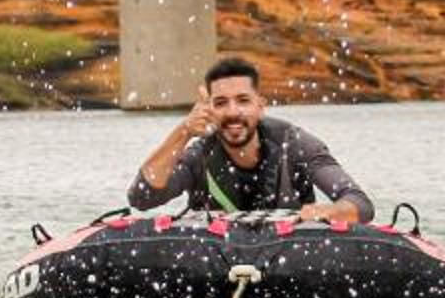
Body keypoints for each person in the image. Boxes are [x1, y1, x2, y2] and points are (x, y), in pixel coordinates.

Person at [127, 55, 373, 222]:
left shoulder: (297, 144)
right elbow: (142, 198)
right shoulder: (198, 154)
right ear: (208, 109)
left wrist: (325, 212)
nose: (233, 112)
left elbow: (360, 204)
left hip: (289, 261)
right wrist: (184, 131)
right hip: (213, 262)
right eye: (221, 103)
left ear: (260, 105)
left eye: (243, 101)